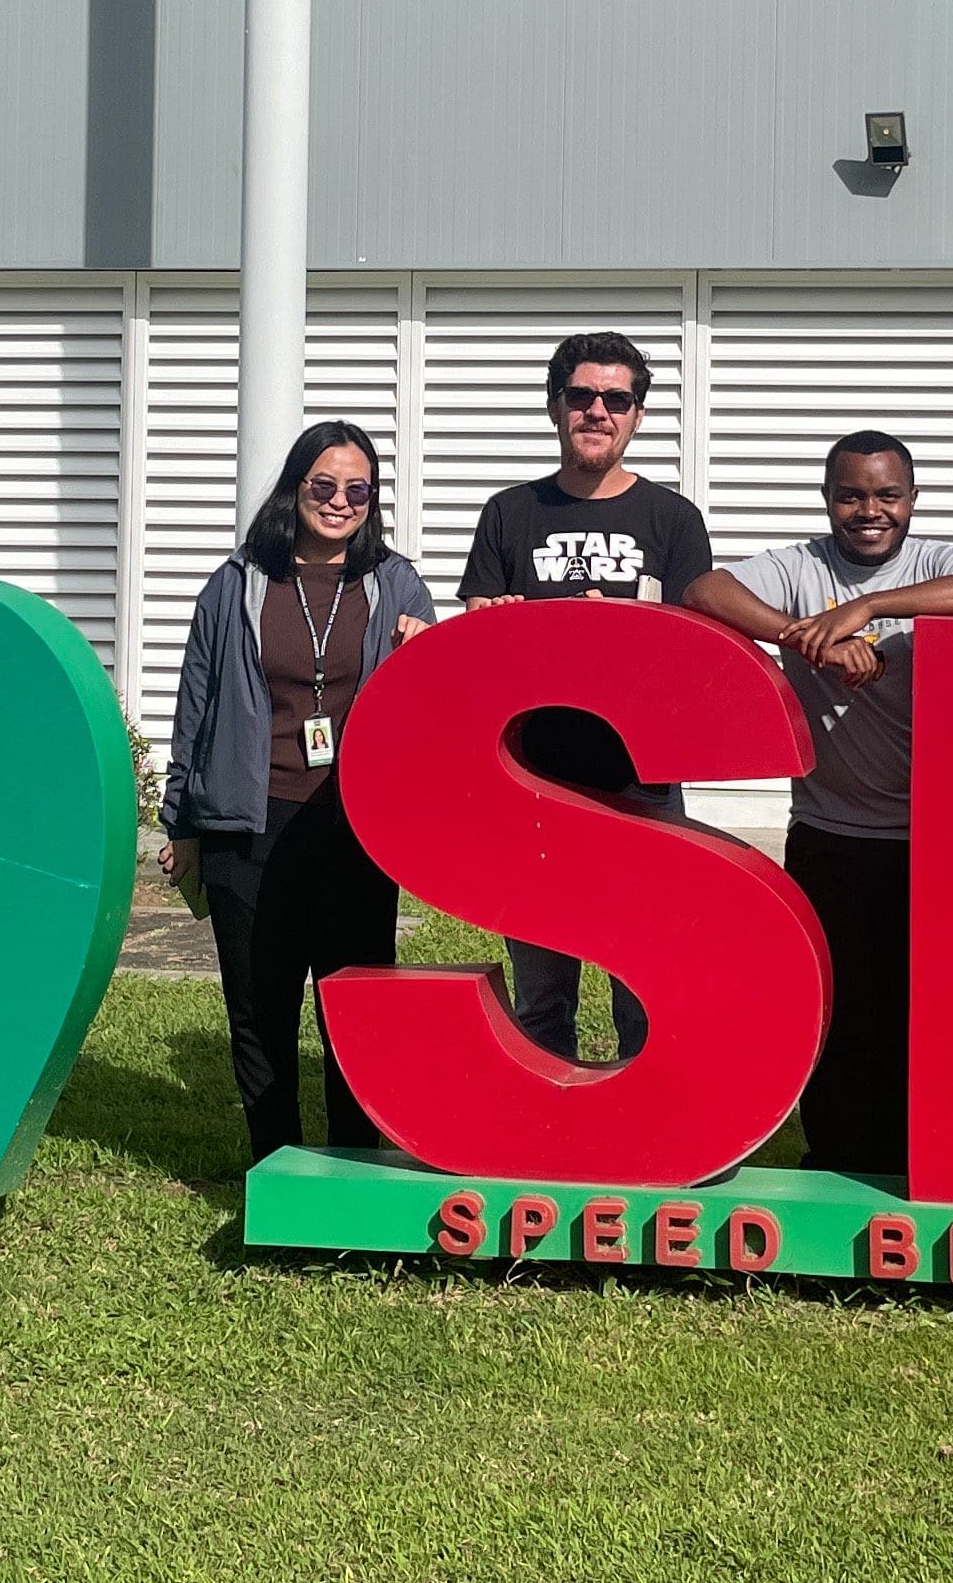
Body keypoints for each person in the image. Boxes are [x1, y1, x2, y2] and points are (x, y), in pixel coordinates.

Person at [687, 432, 953, 1191]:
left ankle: (914, 1158)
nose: (869, 511)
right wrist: (808, 639)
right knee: (839, 1007)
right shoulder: (799, 566)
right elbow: (705, 590)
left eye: (886, 495)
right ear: (827, 498)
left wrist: (865, 606)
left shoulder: (937, 561)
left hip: (933, 836)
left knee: (922, 1008)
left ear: (912, 500)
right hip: (831, 832)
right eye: (851, 494)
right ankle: (836, 1161)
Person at [161, 422, 438, 1169]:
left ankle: (355, 1163)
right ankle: (273, 1164)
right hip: (247, 826)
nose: (339, 502)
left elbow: (433, 710)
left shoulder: (398, 583)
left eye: (357, 489)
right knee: (261, 1010)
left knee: (353, 1008)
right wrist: (181, 821)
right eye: (323, 485)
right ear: (295, 486)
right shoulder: (238, 580)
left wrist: (424, 655)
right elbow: (197, 701)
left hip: (355, 828)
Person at [452, 330, 712, 1065]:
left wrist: (625, 630)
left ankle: (643, 1126)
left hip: (642, 785)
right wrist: (495, 624)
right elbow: (475, 642)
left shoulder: (673, 519)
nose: (598, 410)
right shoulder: (510, 513)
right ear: (554, 406)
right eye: (582, 396)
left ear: (637, 415)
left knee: (644, 982)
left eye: (617, 398)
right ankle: (547, 1133)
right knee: (542, 988)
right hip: (532, 785)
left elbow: (696, 656)